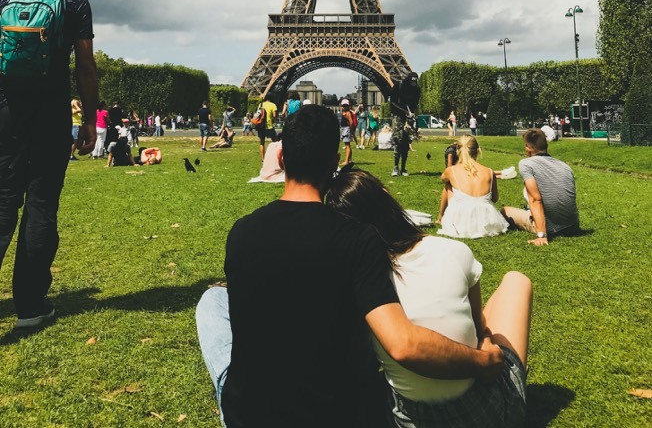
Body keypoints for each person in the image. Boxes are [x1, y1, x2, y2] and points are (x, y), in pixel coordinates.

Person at [196, 105, 505, 428]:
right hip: (334, 412)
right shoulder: (359, 239)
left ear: (283, 159)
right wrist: (481, 359)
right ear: (334, 162)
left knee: (212, 301)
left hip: (248, 414)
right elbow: (402, 343)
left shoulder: (242, 231)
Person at [326, 168, 532, 428]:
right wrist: (487, 344)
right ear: (387, 196)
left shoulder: (357, 283)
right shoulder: (453, 251)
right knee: (515, 281)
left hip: (409, 417)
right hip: (484, 412)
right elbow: (478, 328)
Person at [0, 0, 97, 329]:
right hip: (51, 113)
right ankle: (30, 305)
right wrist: (89, 118)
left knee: (3, 201)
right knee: (41, 204)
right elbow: (86, 68)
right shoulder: (74, 2)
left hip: (5, 110)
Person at [502, 128, 580, 246]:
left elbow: (535, 199)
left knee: (505, 210)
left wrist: (541, 235)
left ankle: (539, 226)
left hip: (551, 228)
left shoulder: (526, 164)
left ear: (528, 147)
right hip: (572, 225)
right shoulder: (564, 166)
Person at [436, 135, 509, 239]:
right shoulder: (489, 171)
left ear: (458, 150)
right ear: (478, 150)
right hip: (487, 220)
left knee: (448, 184)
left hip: (459, 220)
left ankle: (440, 217)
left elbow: (443, 178)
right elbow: (495, 199)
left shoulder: (451, 170)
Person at [391, 71, 420, 177]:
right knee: (398, 140)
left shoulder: (416, 89)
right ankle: (395, 167)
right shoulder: (399, 86)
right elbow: (393, 102)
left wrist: (415, 115)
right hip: (398, 115)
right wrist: (406, 111)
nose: (413, 84)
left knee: (406, 141)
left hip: (410, 116)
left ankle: (403, 168)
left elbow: (416, 105)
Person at [339, 98, 356, 166]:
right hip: (344, 129)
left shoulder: (347, 113)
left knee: (347, 146)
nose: (344, 107)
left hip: (346, 129)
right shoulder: (344, 112)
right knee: (347, 145)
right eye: (343, 105)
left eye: (346, 106)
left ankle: (346, 161)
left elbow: (351, 122)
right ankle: (350, 160)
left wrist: (350, 130)